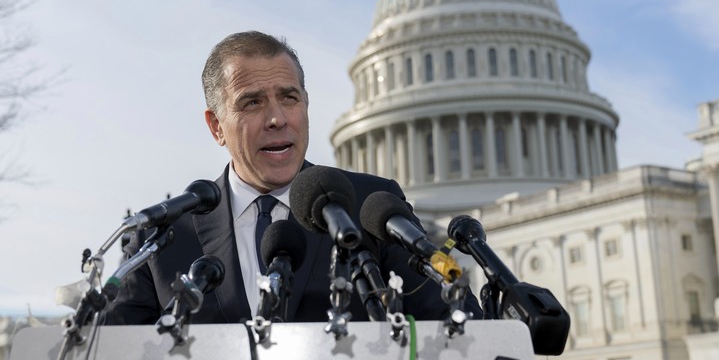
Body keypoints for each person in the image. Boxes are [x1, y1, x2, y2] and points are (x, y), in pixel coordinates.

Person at [104, 31, 480, 324]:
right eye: (252, 102)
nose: (277, 118)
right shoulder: (162, 239)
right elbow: (110, 348)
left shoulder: (370, 207)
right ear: (216, 126)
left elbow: (457, 318)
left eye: (289, 98)